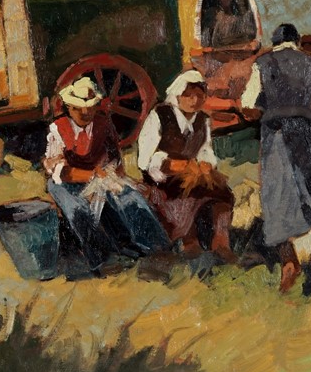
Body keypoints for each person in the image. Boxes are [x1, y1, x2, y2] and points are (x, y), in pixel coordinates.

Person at [240, 23, 311, 293]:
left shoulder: (262, 64)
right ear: (297, 42)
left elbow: (247, 105)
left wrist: (268, 111)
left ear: (274, 43)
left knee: (278, 197)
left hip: (276, 136)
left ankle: (289, 265)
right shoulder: (309, 63)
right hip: (306, 133)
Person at [42, 76, 169, 276]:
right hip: (66, 182)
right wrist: (92, 175)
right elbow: (59, 171)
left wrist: (112, 174)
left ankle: (149, 245)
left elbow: (115, 157)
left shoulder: (103, 124)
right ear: (69, 108)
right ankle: (100, 259)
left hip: (100, 177)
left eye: (89, 108)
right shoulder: (58, 128)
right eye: (78, 108)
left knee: (130, 198)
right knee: (78, 210)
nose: (85, 113)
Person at [137, 70, 237, 262]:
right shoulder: (160, 115)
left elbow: (205, 150)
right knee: (185, 195)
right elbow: (144, 160)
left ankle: (221, 242)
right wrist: (167, 163)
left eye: (199, 96)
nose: (194, 100)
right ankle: (189, 241)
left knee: (222, 192)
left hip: (193, 175)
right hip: (163, 180)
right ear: (177, 95)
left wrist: (206, 165)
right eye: (188, 95)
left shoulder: (202, 120)